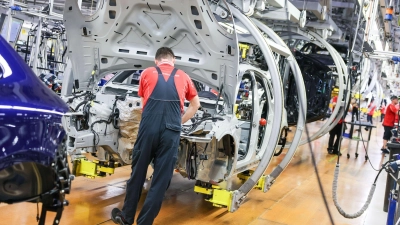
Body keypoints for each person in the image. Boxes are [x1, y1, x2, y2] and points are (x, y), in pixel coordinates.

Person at [111, 47, 200, 225]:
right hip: (171, 131)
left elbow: (145, 102)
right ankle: (145, 222)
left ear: (156, 60)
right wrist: (178, 122)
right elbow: (195, 105)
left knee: (138, 173)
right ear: (173, 60)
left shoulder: (147, 73)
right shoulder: (184, 76)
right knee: (161, 179)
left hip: (149, 128)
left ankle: (126, 218)